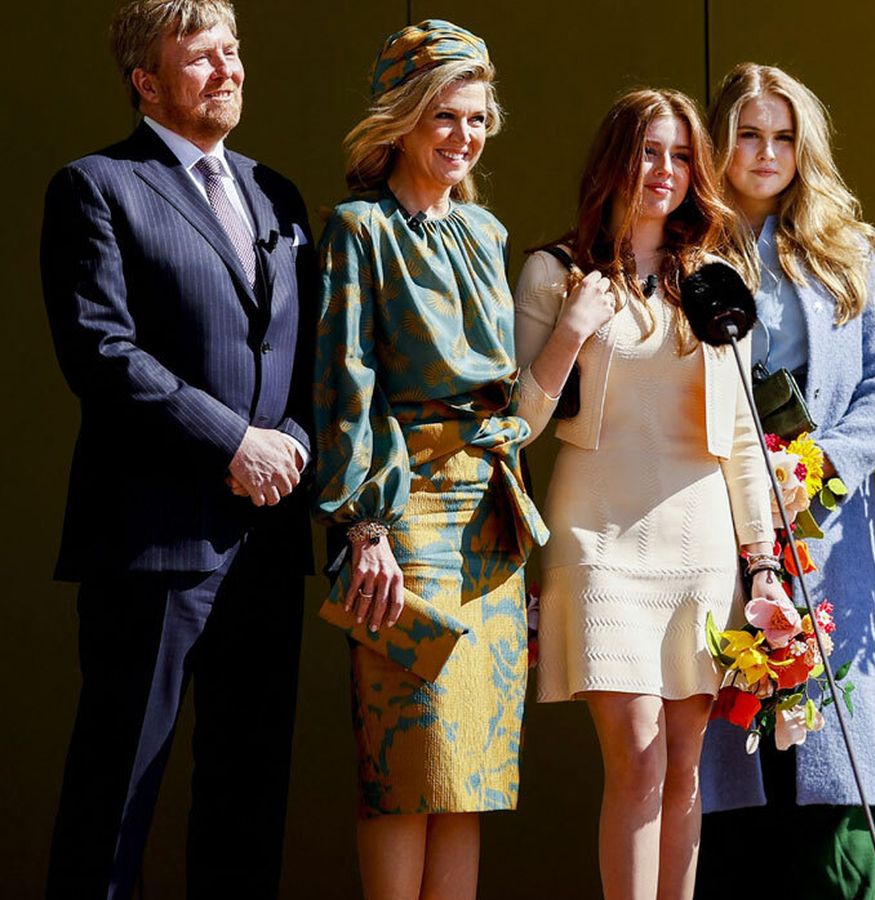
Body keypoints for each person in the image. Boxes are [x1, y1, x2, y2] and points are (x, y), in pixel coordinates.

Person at [38, 1, 314, 896]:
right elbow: (101, 351)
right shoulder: (96, 186)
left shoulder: (278, 194)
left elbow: (307, 360)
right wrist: (232, 441)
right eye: (200, 58)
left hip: (266, 541)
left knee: (248, 793)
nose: (228, 69)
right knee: (117, 790)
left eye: (233, 51)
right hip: (152, 542)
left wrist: (295, 446)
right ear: (146, 82)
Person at [514, 88, 783, 900]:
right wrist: (569, 332)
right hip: (597, 540)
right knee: (637, 751)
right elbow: (514, 427)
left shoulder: (714, 280)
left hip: (700, 544)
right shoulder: (553, 273)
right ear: (614, 162)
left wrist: (763, 560)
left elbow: (740, 434)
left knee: (684, 766)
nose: (662, 172)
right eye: (647, 152)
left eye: (677, 156)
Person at [313, 20, 544, 900]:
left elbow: (506, 392)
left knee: (471, 774)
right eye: (445, 116)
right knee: (407, 762)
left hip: (490, 513)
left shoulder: (485, 231)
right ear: (402, 121)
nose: (463, 136)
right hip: (403, 514)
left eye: (477, 119)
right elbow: (347, 381)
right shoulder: (359, 229)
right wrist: (364, 524)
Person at [695, 62, 875, 900]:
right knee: (731, 781)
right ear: (720, 142)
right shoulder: (686, 247)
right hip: (718, 529)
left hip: (821, 531)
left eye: (783, 137)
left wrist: (822, 462)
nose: (765, 152)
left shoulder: (842, 249)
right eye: (748, 134)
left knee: (827, 788)